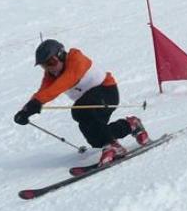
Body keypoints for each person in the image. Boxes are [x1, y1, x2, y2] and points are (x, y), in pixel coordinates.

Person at [14, 39, 150, 165]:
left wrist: (36, 103)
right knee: (96, 138)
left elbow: (63, 83)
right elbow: (43, 91)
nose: (49, 68)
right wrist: (26, 110)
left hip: (107, 93)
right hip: (90, 103)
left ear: (61, 55)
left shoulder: (76, 59)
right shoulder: (51, 74)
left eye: (51, 62)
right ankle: (131, 125)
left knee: (79, 111)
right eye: (45, 66)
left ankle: (114, 146)